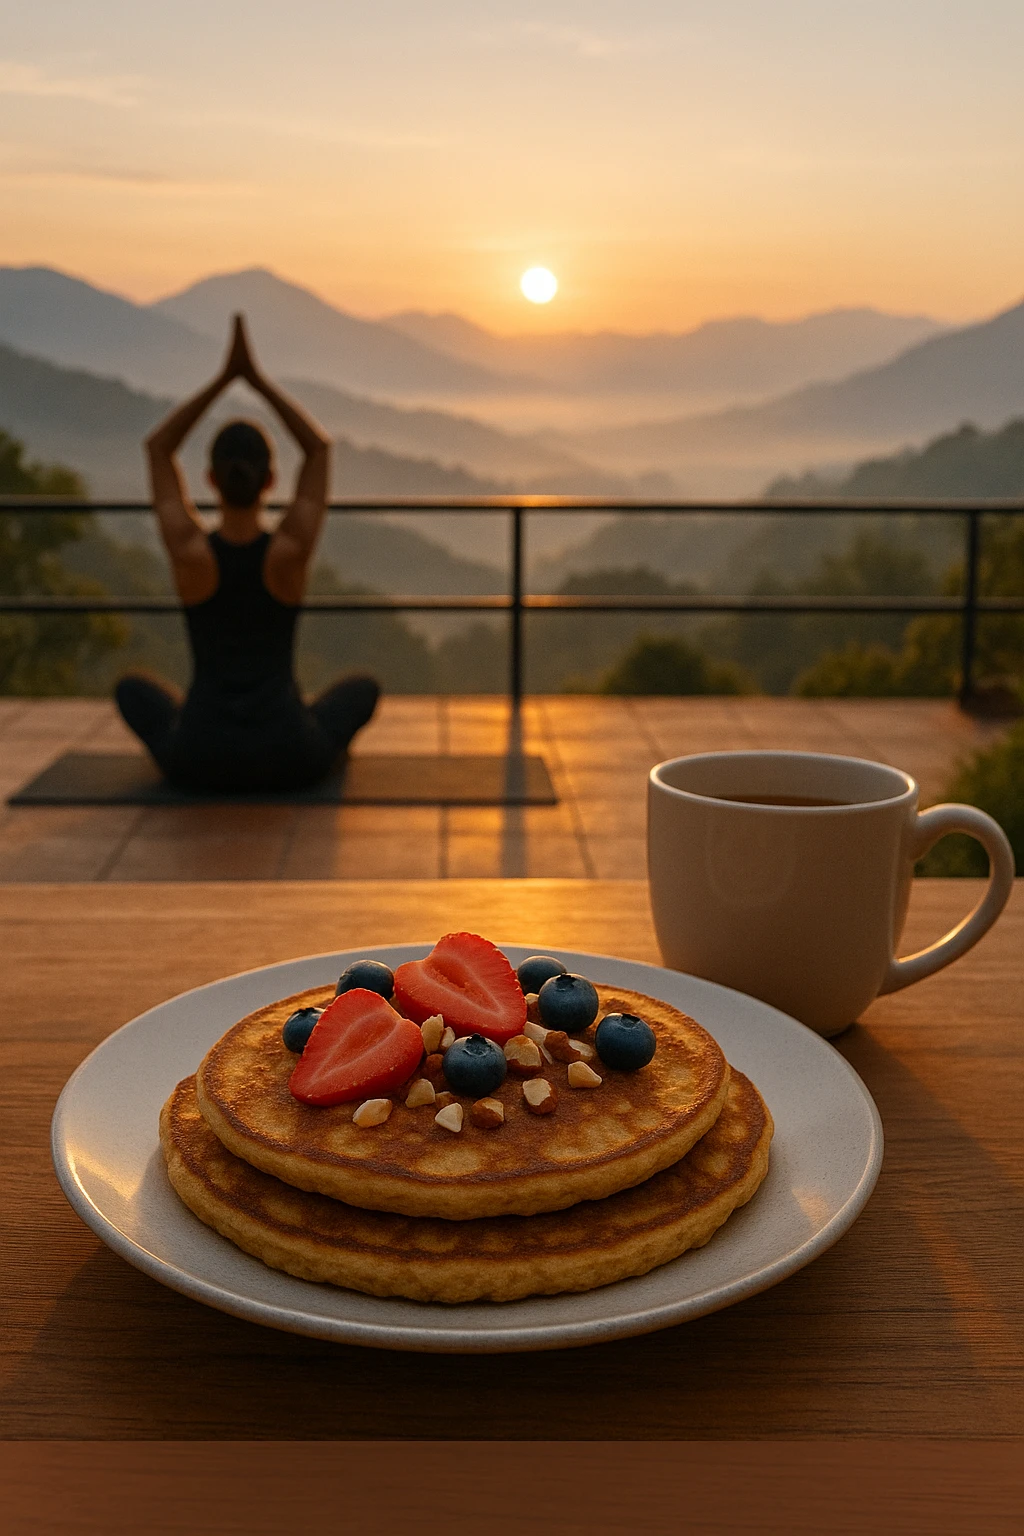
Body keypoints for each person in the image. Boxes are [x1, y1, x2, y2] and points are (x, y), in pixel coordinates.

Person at [115, 315, 379, 792]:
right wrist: (256, 379)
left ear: (211, 479)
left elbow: (158, 449)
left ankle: (190, 723)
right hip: (286, 752)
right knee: (362, 692)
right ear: (271, 481)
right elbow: (318, 451)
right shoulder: (289, 553)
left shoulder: (191, 554)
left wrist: (223, 380)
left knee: (131, 691)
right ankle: (320, 746)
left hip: (200, 754)